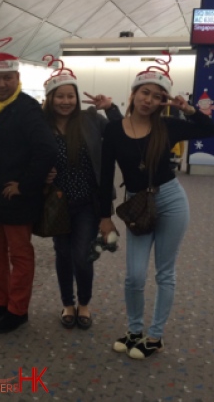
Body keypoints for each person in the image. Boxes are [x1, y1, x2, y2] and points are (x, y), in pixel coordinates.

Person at [99, 58, 214, 359]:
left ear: (162, 100)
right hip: (137, 204)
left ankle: (155, 336)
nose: (148, 100)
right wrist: (105, 218)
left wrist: (187, 109)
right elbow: (103, 176)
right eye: (144, 92)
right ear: (134, 93)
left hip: (171, 200)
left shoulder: (168, 125)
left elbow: (209, 128)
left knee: (165, 273)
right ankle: (134, 330)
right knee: (134, 276)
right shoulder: (112, 130)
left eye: (156, 95)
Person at [0, 52, 58, 334]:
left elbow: (46, 149)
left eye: (7, 78)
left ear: (17, 78)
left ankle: (18, 309)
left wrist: (24, 185)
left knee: (19, 254)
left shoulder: (27, 108)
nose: (1, 84)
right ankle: (0, 301)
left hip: (15, 196)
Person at [42, 62, 122, 330]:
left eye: (70, 96)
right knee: (62, 254)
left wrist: (110, 108)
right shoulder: (43, 124)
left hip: (88, 203)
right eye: (60, 96)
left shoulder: (90, 119)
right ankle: (68, 303)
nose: (65, 101)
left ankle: (84, 303)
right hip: (57, 203)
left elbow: (121, 131)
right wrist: (43, 175)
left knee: (82, 256)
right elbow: (28, 155)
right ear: (50, 98)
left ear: (77, 98)